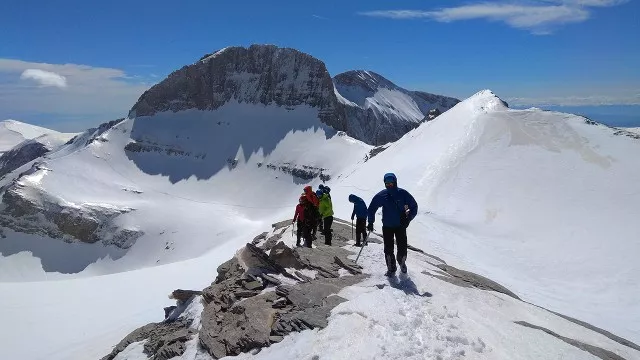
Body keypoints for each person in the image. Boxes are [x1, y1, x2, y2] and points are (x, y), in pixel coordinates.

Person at [367, 173, 418, 276]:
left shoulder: (403, 193)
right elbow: (371, 209)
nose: (389, 185)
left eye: (391, 183)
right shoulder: (382, 195)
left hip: (401, 226)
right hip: (387, 227)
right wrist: (371, 222)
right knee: (388, 249)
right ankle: (391, 269)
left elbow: (414, 206)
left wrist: (408, 219)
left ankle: (401, 262)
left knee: (402, 248)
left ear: (395, 182)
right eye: (387, 183)